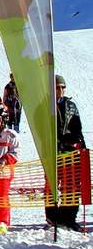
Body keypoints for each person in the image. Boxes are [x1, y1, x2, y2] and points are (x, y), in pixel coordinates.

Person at [46, 75, 85, 231]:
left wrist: (79, 143)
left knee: (72, 186)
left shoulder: (71, 106)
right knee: (52, 186)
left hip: (70, 153)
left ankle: (69, 218)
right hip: (52, 152)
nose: (60, 90)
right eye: (57, 87)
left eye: (62, 87)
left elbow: (78, 127)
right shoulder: (45, 106)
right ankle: (52, 217)